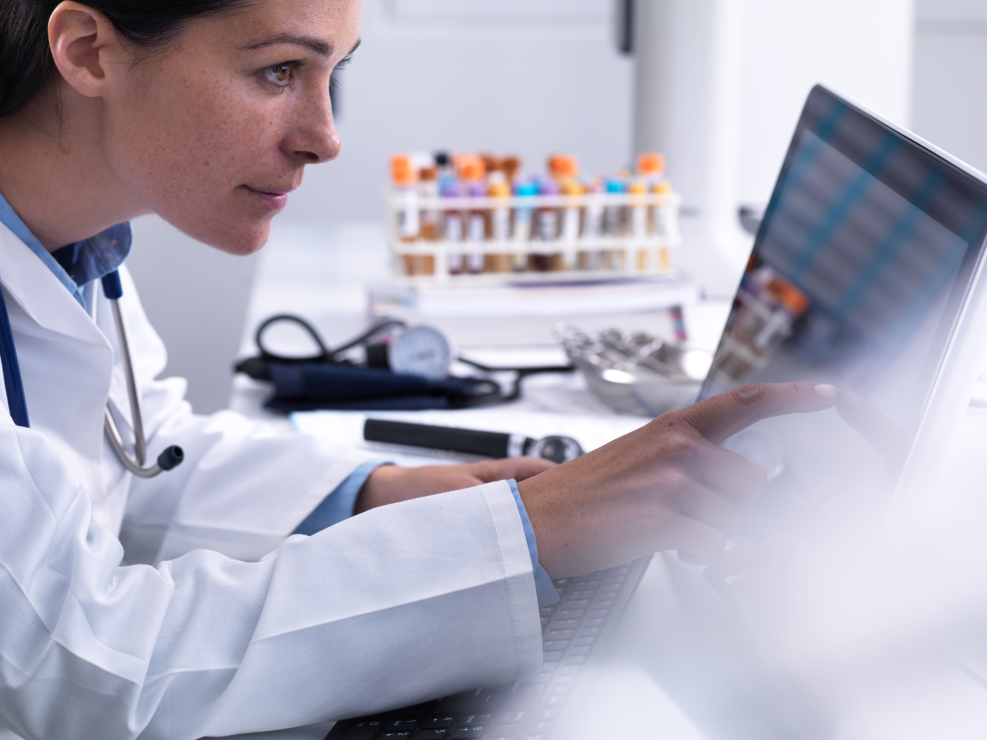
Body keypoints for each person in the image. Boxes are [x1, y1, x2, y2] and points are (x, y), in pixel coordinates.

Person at [0, 1, 837, 738]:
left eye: (333, 74)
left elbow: (147, 455)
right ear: (88, 50)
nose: (324, 137)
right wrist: (520, 535)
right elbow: (92, 673)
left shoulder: (76, 247)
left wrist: (379, 491)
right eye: (278, 71)